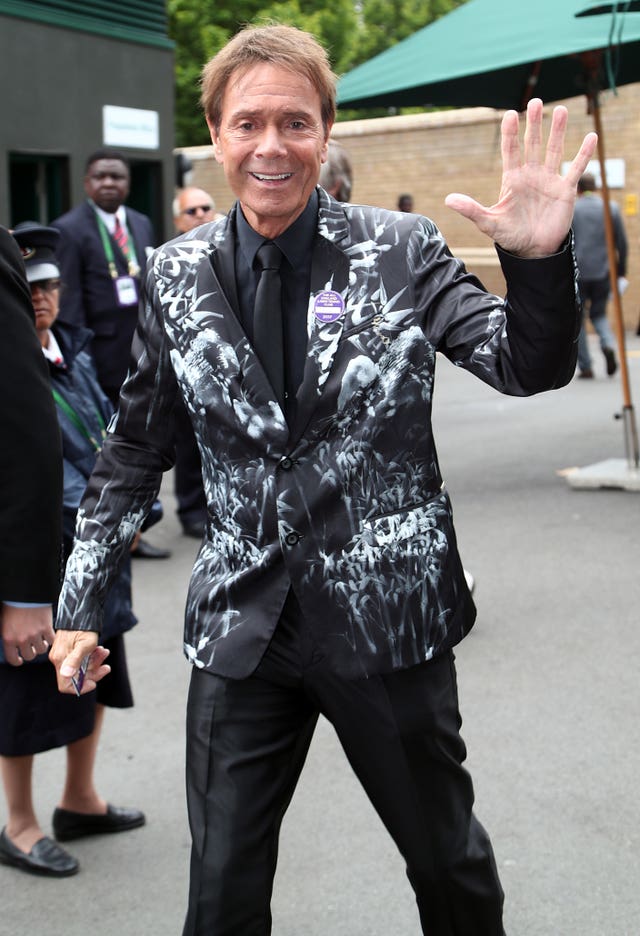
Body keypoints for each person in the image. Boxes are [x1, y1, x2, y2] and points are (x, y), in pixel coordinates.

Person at [49, 24, 597, 935]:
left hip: (388, 624)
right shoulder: (175, 274)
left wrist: (539, 261)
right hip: (242, 631)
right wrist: (77, 606)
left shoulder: (402, 249)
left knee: (447, 867)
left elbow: (523, 366)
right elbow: (134, 450)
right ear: (217, 136)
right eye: (249, 123)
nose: (273, 145)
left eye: (295, 123)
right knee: (220, 896)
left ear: (326, 132)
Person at [0, 223, 145, 879]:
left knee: (96, 672)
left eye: (51, 286)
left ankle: (79, 799)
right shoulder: (13, 361)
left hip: (97, 548)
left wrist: (137, 509)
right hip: (44, 549)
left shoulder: (74, 350)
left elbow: (114, 435)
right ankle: (19, 822)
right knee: (28, 693)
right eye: (29, 289)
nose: (41, 299)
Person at [52, 148, 170, 559]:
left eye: (116, 177)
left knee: (144, 443)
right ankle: (106, 532)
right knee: (110, 449)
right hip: (97, 361)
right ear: (87, 183)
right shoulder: (69, 229)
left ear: (127, 183)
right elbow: (67, 304)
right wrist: (78, 361)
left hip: (141, 355)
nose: (108, 183)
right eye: (100, 176)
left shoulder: (140, 223)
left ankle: (136, 529)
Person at [170, 187, 224, 537]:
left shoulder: (224, 248)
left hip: (222, 361)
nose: (201, 214)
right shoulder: (168, 258)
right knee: (188, 442)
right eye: (192, 210)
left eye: (206, 207)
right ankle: (191, 510)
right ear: (178, 219)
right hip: (184, 361)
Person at [572, 171, 627, 379]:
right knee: (599, 314)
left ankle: (585, 365)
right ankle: (607, 343)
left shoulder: (573, 209)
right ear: (595, 187)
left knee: (579, 318)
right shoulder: (610, 208)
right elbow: (621, 242)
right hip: (603, 272)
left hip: (579, 273)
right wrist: (621, 272)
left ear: (578, 189)